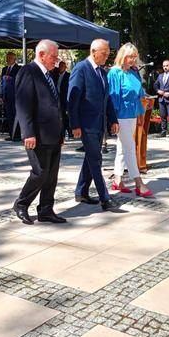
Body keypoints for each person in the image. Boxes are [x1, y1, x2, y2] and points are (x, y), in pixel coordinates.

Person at [12, 40, 66, 225]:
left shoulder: (49, 75)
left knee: (51, 175)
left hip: (53, 134)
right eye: (53, 56)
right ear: (42, 55)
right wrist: (28, 133)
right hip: (37, 134)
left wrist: (61, 133)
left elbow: (56, 106)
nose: (56, 60)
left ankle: (46, 210)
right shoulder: (28, 72)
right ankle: (21, 204)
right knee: (40, 172)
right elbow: (23, 105)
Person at [68, 39, 121, 212]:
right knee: (96, 159)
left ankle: (81, 191)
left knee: (91, 158)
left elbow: (108, 99)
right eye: (104, 53)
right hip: (86, 124)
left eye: (108, 53)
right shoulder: (81, 69)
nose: (107, 56)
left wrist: (113, 120)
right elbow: (73, 99)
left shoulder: (102, 73)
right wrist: (74, 124)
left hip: (99, 124)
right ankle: (105, 199)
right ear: (93, 51)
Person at [107, 43, 153, 197]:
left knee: (123, 147)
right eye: (130, 56)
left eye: (135, 57)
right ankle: (138, 182)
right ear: (122, 56)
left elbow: (139, 94)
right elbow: (113, 98)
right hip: (121, 116)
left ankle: (117, 180)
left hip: (132, 114)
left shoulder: (133, 72)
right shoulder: (114, 73)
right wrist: (113, 120)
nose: (133, 60)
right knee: (129, 148)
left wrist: (140, 114)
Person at [1, 52, 21, 141]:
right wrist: (1, 95)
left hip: (15, 97)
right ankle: (11, 134)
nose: (7, 59)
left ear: (14, 59)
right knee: (9, 116)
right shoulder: (4, 69)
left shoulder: (18, 69)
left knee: (15, 116)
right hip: (6, 97)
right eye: (7, 58)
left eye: (9, 58)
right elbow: (2, 83)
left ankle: (17, 135)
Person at [55, 60, 73, 139]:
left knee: (66, 117)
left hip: (65, 98)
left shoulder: (69, 76)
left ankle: (69, 132)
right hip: (57, 98)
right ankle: (61, 132)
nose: (60, 68)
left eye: (62, 66)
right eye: (60, 66)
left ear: (65, 68)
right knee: (60, 116)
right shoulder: (56, 75)